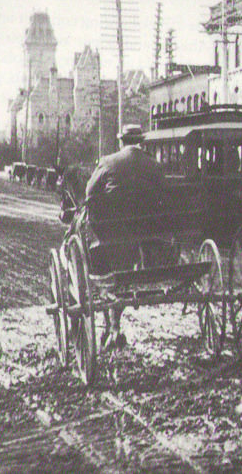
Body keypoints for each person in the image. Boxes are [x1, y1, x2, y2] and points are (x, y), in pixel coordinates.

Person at [84, 125, 168, 350]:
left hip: (113, 233)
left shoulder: (109, 162)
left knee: (106, 264)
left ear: (122, 141)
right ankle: (114, 326)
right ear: (140, 141)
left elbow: (89, 193)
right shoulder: (153, 164)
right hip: (145, 233)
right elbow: (165, 195)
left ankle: (111, 326)